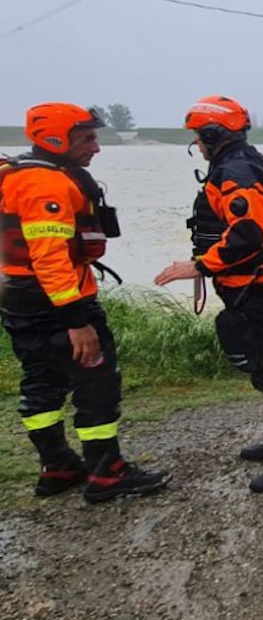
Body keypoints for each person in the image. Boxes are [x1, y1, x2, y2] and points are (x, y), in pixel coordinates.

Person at [1, 102, 171, 503]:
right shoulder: (48, 186)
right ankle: (105, 471)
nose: (96, 147)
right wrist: (77, 321)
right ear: (56, 139)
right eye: (87, 138)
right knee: (96, 382)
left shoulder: (14, 175)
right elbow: (50, 257)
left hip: (19, 298)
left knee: (41, 382)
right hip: (58, 303)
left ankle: (57, 465)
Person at [153, 94, 263, 493]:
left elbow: (246, 234)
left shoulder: (236, 172)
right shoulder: (248, 162)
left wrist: (198, 266)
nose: (198, 144)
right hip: (260, 280)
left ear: (213, 133)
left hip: (256, 284)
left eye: (199, 136)